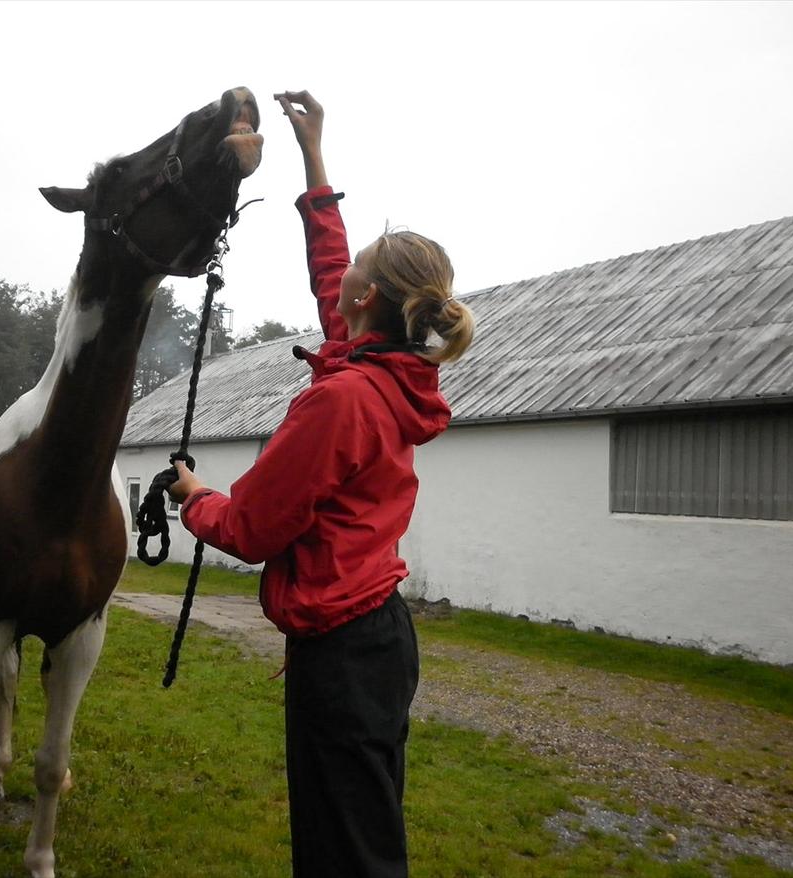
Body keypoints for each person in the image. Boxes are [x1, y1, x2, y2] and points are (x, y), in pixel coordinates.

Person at [166, 90, 476, 878]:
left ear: (367, 303)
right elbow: (333, 262)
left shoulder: (341, 398)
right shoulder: (389, 369)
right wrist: (314, 156)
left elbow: (252, 529)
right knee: (361, 835)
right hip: (375, 636)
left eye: (357, 276)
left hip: (342, 655)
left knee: (347, 857)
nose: (341, 278)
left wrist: (194, 497)